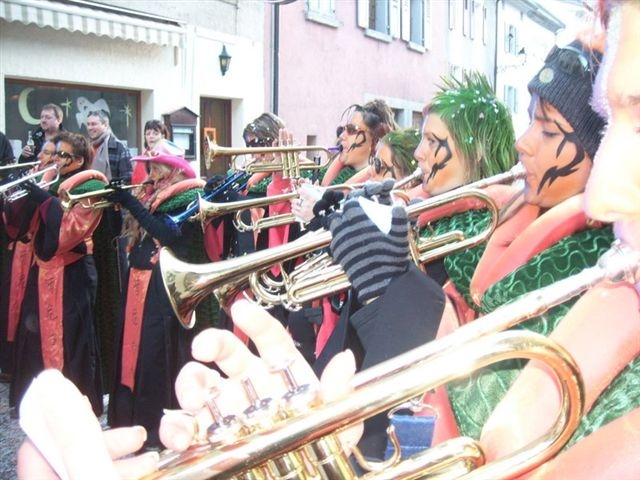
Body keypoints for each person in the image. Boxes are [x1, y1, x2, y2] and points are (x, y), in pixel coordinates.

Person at [430, 34, 613, 448]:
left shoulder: (596, 259)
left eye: (547, 130)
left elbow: (489, 408)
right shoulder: (522, 214)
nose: (522, 142)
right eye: (530, 121)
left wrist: (395, 290)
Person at [106, 145, 206, 450]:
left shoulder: (188, 198)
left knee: (154, 352)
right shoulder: (154, 198)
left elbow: (167, 233)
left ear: (173, 172)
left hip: (162, 288)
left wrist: (131, 204)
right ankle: (131, 418)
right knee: (133, 352)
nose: (150, 176)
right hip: (141, 283)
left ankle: (155, 424)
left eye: (156, 170)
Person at [4, 131, 108, 418]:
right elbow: (24, 230)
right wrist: (21, 199)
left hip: (72, 272)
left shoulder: (90, 185)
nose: (56, 160)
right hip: (42, 270)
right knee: (33, 336)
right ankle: (36, 403)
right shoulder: (51, 181)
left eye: (62, 155)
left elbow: (70, 231)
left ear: (79, 160)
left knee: (71, 338)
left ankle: (73, 403)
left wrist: (44, 199)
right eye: (54, 154)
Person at [0, 140, 55, 384]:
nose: (43, 157)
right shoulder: (31, 173)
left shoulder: (52, 180)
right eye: (44, 152)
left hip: (36, 250)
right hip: (18, 247)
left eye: (50, 153)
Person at [85, 110, 133, 183]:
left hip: (110, 189)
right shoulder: (85, 147)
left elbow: (127, 178)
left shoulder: (119, 147)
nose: (89, 128)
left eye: (93, 124)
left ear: (105, 125)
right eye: (88, 124)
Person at [131, 119, 181, 185]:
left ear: (163, 136)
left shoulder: (173, 157)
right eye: (148, 134)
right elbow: (136, 184)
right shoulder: (141, 161)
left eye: (155, 134)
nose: (151, 136)